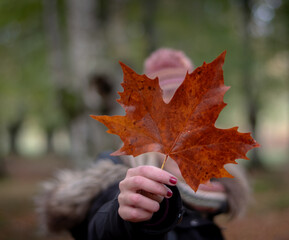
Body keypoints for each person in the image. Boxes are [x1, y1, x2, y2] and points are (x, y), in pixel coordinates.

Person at [36, 48, 250, 240]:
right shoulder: (116, 169)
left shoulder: (216, 181)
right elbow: (99, 226)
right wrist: (128, 214)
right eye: (168, 97)